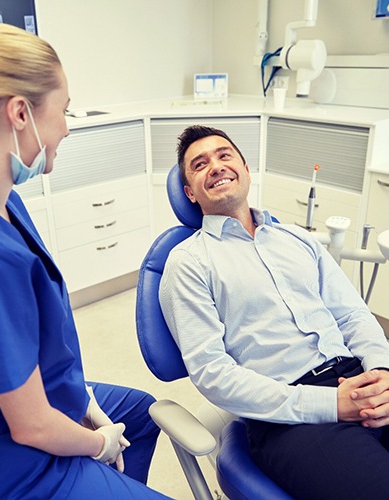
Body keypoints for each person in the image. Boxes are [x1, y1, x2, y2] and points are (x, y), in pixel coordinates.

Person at [0, 23, 170, 499]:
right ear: (20, 113)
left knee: (141, 414)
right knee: (116, 439)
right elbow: (31, 428)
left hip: (40, 404)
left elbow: (34, 342)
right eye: (63, 110)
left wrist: (83, 399)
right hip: (13, 467)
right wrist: (97, 444)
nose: (67, 126)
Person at [159, 125, 389, 499]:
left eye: (224, 156)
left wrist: (380, 372)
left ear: (246, 170)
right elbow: (213, 374)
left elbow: (353, 315)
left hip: (360, 377)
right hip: (290, 418)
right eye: (199, 165)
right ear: (190, 193)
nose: (215, 166)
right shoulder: (188, 263)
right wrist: (330, 404)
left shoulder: (297, 239)